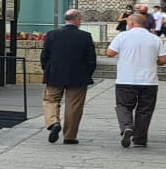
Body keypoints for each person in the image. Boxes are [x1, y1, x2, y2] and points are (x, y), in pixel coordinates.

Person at [108, 9, 165, 148]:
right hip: (149, 81)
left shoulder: (123, 36)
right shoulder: (155, 38)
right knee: (145, 110)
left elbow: (110, 53)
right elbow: (163, 60)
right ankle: (140, 139)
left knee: (123, 106)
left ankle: (127, 127)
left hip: (125, 79)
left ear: (131, 23)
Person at [40, 8, 98, 145]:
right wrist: (87, 73)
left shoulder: (52, 34)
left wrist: (47, 70)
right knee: (74, 106)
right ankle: (70, 136)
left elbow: (44, 56)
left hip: (55, 74)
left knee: (50, 100)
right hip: (78, 76)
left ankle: (53, 122)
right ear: (77, 19)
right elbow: (91, 60)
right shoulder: (85, 36)